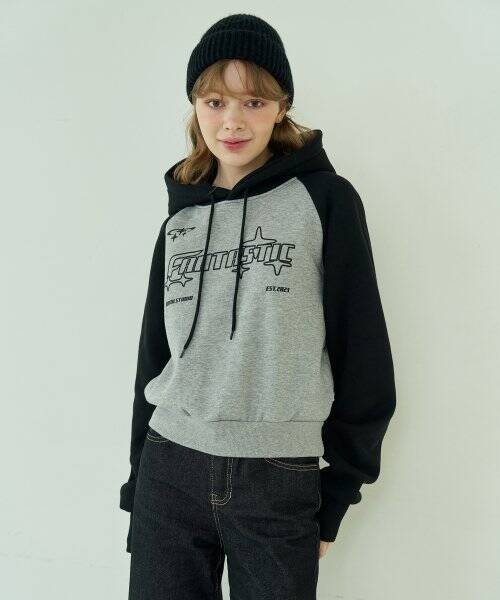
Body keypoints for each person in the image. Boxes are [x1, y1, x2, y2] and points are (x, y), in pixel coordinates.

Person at [120, 13, 396, 600]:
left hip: (276, 475)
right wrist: (137, 481)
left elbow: (363, 350)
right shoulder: (180, 221)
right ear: (195, 106)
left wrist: (338, 491)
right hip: (169, 472)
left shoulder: (325, 201)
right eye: (215, 101)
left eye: (253, 102)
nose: (233, 121)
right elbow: (154, 357)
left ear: (281, 107)